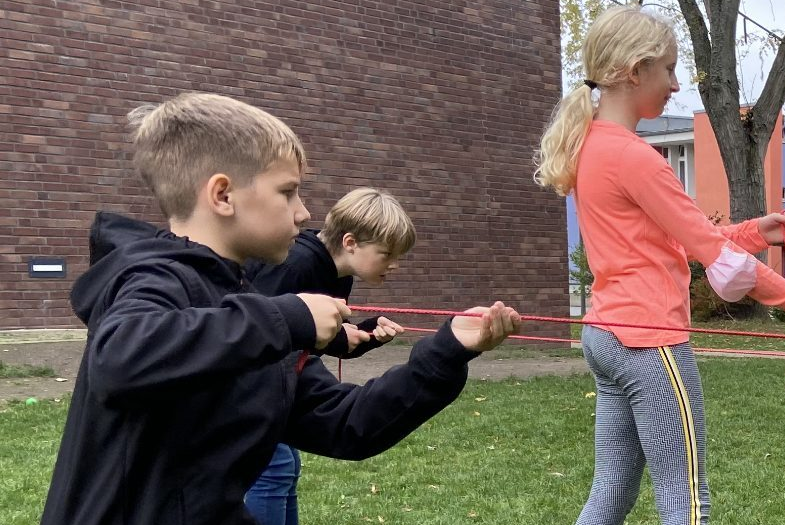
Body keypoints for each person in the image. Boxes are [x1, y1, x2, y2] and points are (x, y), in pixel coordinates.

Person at [41, 92, 522, 525]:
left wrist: (448, 350)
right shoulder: (153, 278)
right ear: (223, 195)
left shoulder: (250, 311)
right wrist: (288, 317)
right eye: (287, 191)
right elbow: (120, 357)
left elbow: (347, 423)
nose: (304, 212)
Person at [531, 7, 785, 524]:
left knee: (611, 490)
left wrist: (752, 230)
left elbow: (677, 240)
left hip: (606, 337)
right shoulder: (636, 158)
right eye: (669, 70)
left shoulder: (591, 146)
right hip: (649, 343)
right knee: (686, 496)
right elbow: (719, 259)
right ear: (635, 71)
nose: (676, 85)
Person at [240, 187, 417, 524]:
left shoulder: (337, 275)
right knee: (274, 469)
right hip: (252, 388)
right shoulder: (296, 265)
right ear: (351, 243)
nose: (394, 265)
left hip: (284, 386)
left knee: (286, 469)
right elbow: (255, 332)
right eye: (387, 254)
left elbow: (319, 338)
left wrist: (363, 335)